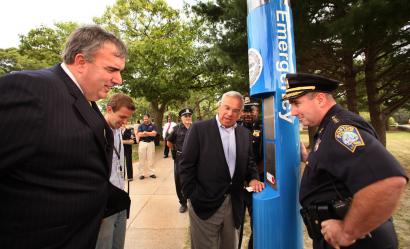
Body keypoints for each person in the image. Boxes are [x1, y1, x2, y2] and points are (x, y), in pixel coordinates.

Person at [0, 25, 127, 248]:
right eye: (111, 69)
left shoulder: (86, 99)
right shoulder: (31, 89)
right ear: (80, 61)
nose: (118, 80)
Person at [283, 73, 408, 249]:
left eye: (296, 103)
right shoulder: (328, 126)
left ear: (319, 99)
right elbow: (336, 164)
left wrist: (347, 232)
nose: (293, 111)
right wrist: (309, 158)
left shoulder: (341, 130)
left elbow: (389, 181)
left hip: (357, 242)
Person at [180, 91, 265, 249]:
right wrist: (192, 195)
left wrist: (253, 177)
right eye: (227, 107)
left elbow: (250, 162)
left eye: (235, 110)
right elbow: (185, 166)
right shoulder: (199, 129)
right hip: (204, 204)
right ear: (219, 106)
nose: (230, 113)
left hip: (234, 204)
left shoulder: (244, 134)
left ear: (240, 113)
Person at [96, 93, 135, 249]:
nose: (125, 122)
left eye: (128, 118)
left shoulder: (118, 129)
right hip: (103, 203)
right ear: (109, 109)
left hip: (119, 196)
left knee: (118, 244)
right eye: (122, 117)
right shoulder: (97, 131)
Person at [237, 97, 263, 249]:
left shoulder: (265, 128)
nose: (247, 114)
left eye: (251, 111)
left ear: (257, 111)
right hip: (239, 183)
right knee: (237, 222)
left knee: (257, 221)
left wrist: (252, 177)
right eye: (245, 111)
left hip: (256, 182)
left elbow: (266, 156)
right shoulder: (236, 128)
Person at [166, 108, 194, 213]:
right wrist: (176, 151)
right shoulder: (176, 128)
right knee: (179, 180)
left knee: (193, 179)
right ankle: (183, 203)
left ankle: (192, 199)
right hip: (180, 159)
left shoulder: (196, 128)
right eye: (185, 116)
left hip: (193, 159)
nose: (188, 118)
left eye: (189, 116)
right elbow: (169, 142)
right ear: (181, 118)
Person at [137, 114, 157, 179]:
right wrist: (149, 133)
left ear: (149, 118)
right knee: (141, 158)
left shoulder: (153, 125)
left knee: (151, 158)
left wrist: (145, 133)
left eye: (146, 119)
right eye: (144, 119)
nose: (145, 120)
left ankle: (151, 173)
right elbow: (139, 134)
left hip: (151, 143)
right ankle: (142, 174)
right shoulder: (140, 126)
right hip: (142, 143)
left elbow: (154, 134)